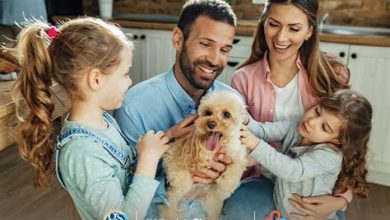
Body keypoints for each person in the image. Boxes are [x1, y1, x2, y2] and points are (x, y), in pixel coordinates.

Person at [114, 0, 271, 219]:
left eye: (224, 49)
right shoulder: (135, 106)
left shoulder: (233, 101)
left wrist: (226, 170)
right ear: (178, 39)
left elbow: (243, 160)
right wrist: (175, 178)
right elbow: (123, 183)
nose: (215, 59)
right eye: (206, 44)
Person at [11, 17, 170, 220]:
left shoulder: (103, 122)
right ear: (96, 79)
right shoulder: (81, 152)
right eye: (125, 73)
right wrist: (148, 159)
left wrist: (166, 138)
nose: (130, 81)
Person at [231, 0, 352, 218]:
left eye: (294, 28)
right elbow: (242, 137)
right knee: (238, 211)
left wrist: (341, 199)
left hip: (313, 185)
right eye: (274, 24)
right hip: (263, 178)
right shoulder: (243, 79)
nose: (281, 38)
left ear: (309, 31)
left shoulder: (331, 75)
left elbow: (350, 143)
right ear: (264, 23)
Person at [240, 89, 372, 219]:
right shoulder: (294, 128)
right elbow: (263, 130)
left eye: (324, 127)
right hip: (284, 212)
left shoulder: (330, 155)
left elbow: (293, 171)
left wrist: (256, 145)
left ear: (337, 140)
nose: (312, 122)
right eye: (317, 111)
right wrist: (246, 120)